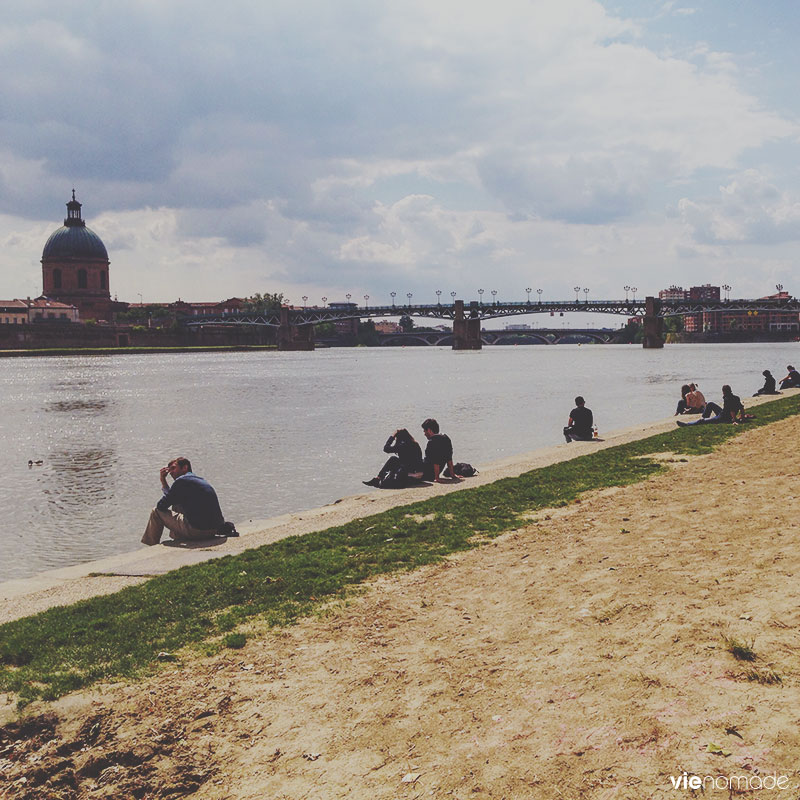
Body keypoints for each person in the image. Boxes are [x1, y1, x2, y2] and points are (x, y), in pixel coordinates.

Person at [141, 456, 231, 545]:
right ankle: (178, 537)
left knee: (156, 511)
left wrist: (162, 480)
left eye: (173, 468)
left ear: (185, 467)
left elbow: (161, 505)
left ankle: (151, 546)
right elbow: (172, 498)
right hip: (213, 530)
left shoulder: (181, 481)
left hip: (198, 532)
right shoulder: (198, 480)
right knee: (177, 504)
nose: (171, 472)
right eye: (169, 470)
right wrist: (164, 482)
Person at [676, 385, 745, 426]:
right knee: (710, 404)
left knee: (701, 422)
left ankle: (687, 424)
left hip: (723, 418)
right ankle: (705, 417)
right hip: (723, 413)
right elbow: (741, 408)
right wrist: (742, 417)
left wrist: (734, 420)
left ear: (724, 392)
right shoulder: (736, 397)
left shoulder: (727, 399)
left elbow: (731, 410)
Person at [421, 418, 456, 483]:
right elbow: (449, 458)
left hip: (427, 473)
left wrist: (436, 477)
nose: (424, 434)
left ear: (429, 430)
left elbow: (435, 460)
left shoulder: (432, 442)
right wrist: (452, 474)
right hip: (434, 472)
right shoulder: (446, 438)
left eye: (424, 431)